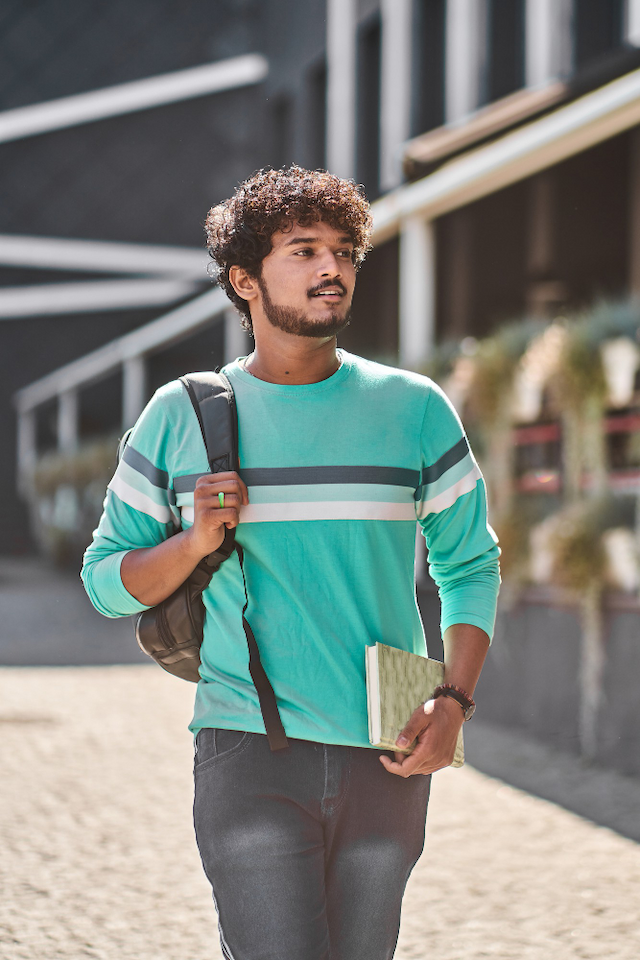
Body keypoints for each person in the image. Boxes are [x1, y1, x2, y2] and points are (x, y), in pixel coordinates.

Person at [82, 165, 500, 960]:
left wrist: (453, 702)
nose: (331, 268)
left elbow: (470, 564)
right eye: (303, 250)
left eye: (343, 250)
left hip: (391, 740)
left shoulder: (413, 408)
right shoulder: (183, 415)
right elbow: (105, 582)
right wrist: (194, 542)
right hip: (248, 743)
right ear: (244, 280)